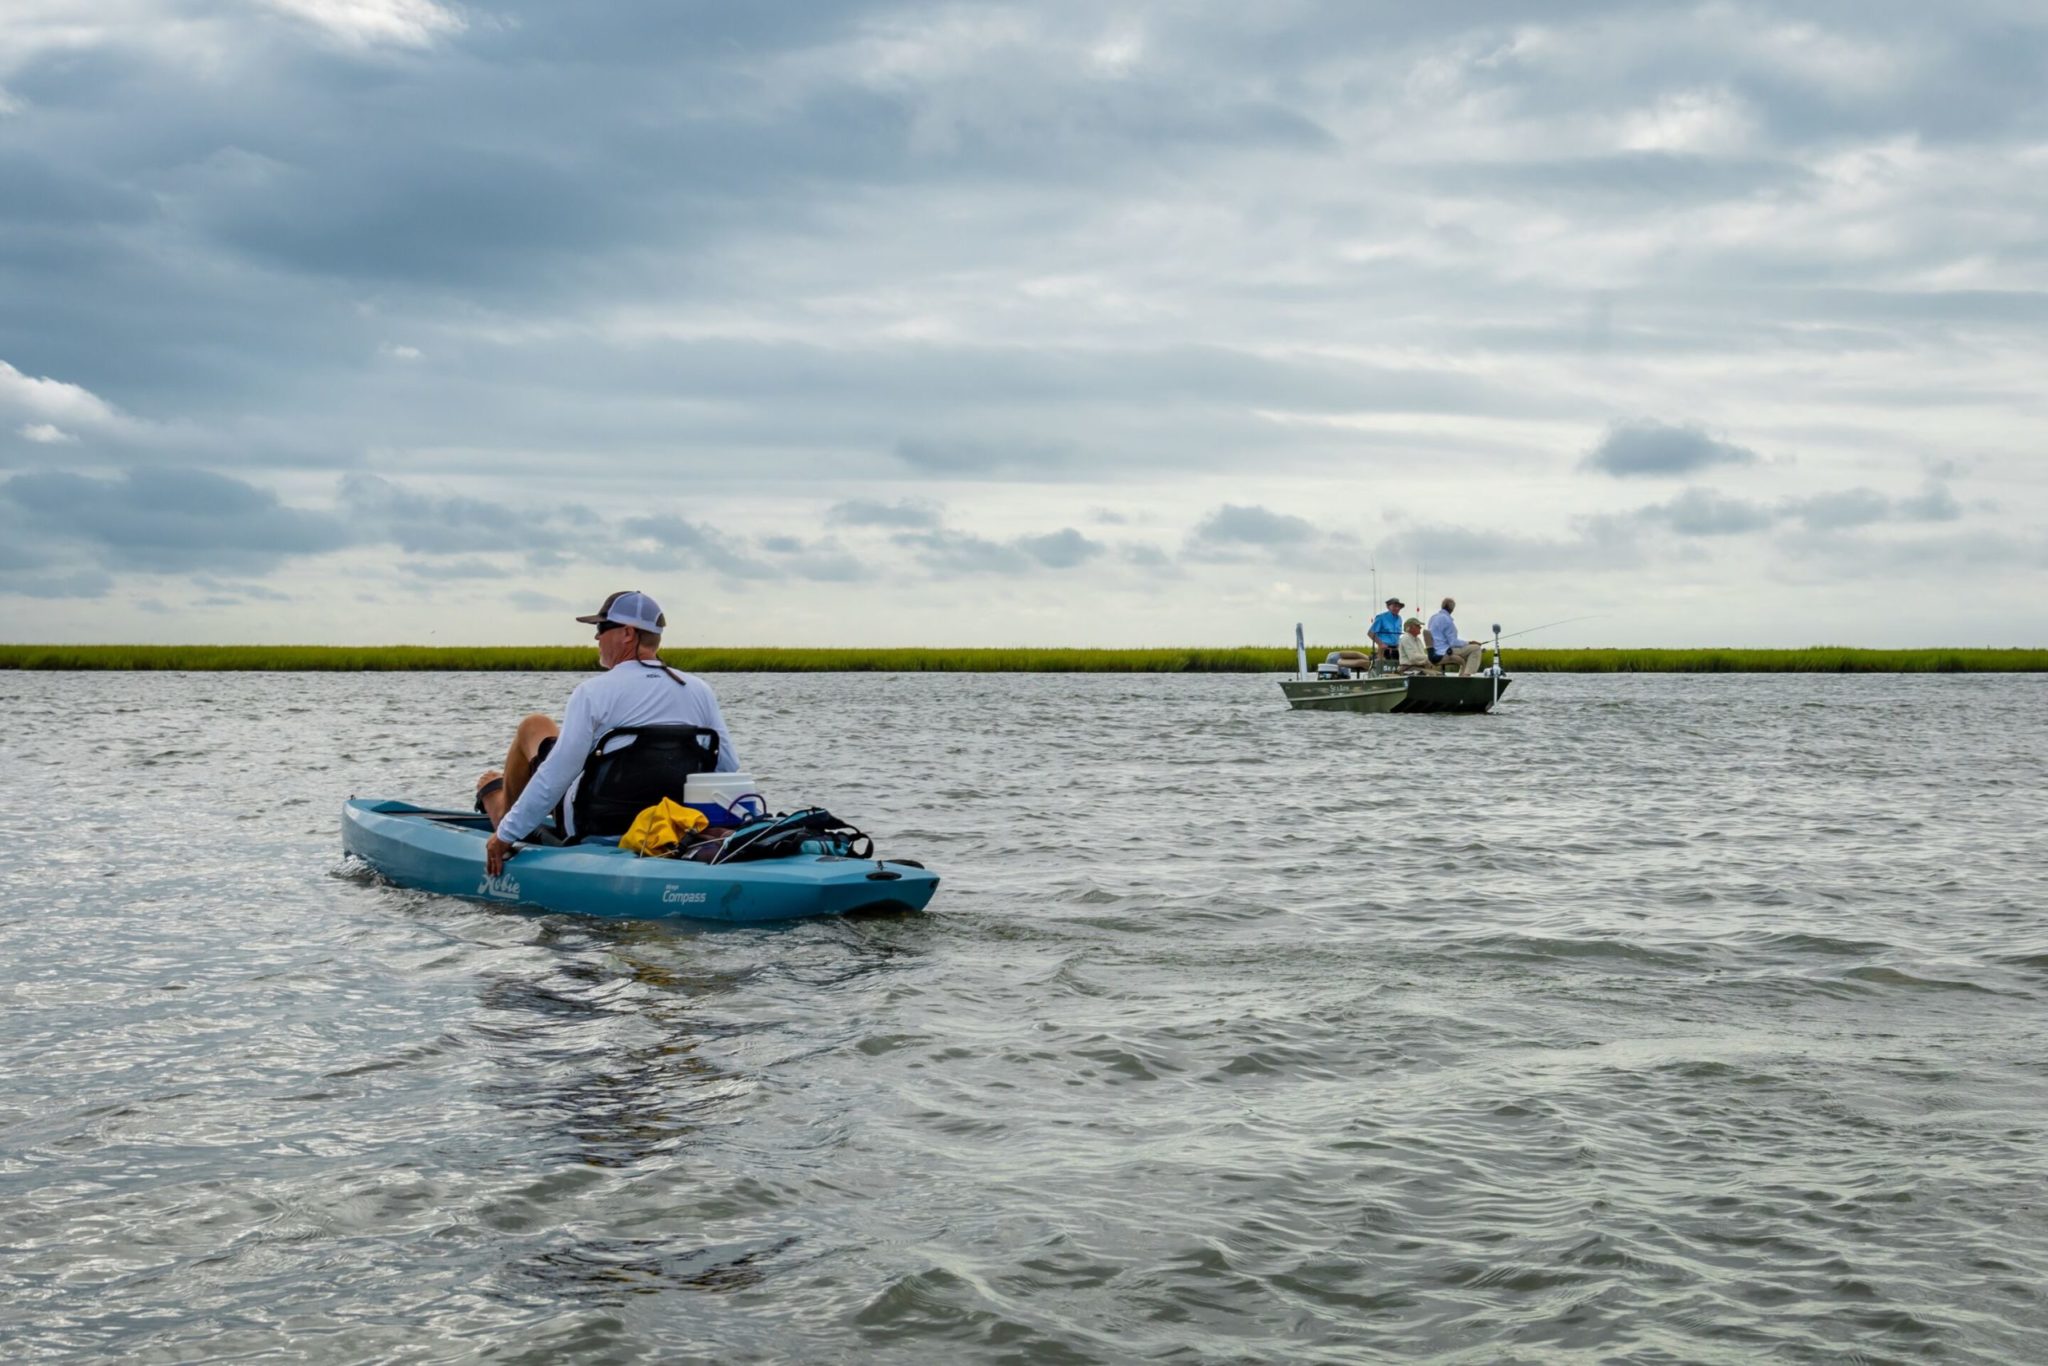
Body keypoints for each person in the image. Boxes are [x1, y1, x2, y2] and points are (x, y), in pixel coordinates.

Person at [479, 590, 737, 876]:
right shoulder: (699, 690)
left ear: (628, 633)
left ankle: (501, 811)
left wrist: (506, 836)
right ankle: (501, 797)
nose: (596, 638)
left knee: (534, 726)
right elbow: (727, 767)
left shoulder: (592, 693)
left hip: (596, 830)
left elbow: (555, 776)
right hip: (669, 825)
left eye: (601, 628)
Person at [1427, 596, 1485, 677]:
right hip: (1445, 651)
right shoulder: (1447, 620)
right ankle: (1466, 675)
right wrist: (1469, 642)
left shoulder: (1433, 618)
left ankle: (1462, 676)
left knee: (1467, 654)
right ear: (1452, 609)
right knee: (1476, 648)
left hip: (1435, 651)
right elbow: (1453, 642)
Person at [1367, 596, 1406, 660]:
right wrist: (1381, 644)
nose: (1397, 608)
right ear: (1388, 607)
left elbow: (1398, 635)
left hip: (1396, 649)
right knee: (1383, 666)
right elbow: (1370, 633)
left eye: (1398, 606)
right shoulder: (1381, 617)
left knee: (1398, 668)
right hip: (1384, 649)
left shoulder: (1400, 619)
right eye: (1394, 606)